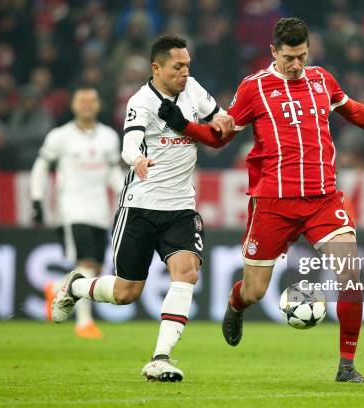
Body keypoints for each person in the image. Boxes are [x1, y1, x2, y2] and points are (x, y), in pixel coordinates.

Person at [158, 18, 364, 383]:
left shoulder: (321, 79)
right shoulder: (254, 88)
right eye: (289, 57)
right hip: (274, 203)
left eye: (302, 56)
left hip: (323, 199)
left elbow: (352, 110)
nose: (296, 65)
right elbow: (221, 137)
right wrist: (184, 126)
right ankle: (235, 304)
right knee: (255, 290)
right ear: (273, 51)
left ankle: (346, 367)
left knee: (351, 275)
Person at [50, 35, 234, 382]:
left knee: (187, 273)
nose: (185, 72)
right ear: (157, 68)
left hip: (181, 207)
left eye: (187, 65)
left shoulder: (194, 90)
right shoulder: (141, 101)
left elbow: (218, 118)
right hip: (141, 208)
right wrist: (137, 159)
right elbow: (129, 143)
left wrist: (224, 120)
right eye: (178, 66)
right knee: (125, 293)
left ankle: (160, 357)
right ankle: (76, 287)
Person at [30, 86, 124, 339]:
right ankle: (84, 322)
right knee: (86, 263)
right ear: (73, 105)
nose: (86, 104)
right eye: (81, 99)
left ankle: (57, 288)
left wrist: (126, 194)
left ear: (98, 105)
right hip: (71, 208)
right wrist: (37, 199)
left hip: (99, 210)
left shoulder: (109, 137)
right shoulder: (60, 136)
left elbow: (114, 172)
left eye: (91, 99)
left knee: (94, 265)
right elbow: (41, 166)